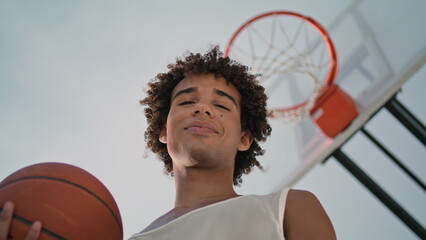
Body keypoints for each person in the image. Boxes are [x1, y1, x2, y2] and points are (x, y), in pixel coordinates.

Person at [130, 46, 336, 239]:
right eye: (186, 102)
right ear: (164, 131)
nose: (202, 108)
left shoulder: (288, 209)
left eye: (221, 105)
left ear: (243, 139)